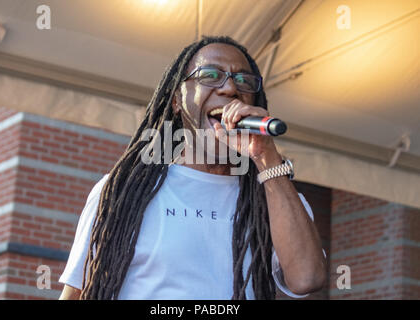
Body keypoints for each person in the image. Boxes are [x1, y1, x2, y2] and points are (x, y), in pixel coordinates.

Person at [59, 36, 327, 300]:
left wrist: (266, 156)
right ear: (177, 100)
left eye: (244, 80)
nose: (230, 89)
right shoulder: (120, 192)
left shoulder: (275, 198)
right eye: (210, 75)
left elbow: (307, 279)